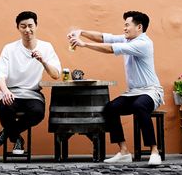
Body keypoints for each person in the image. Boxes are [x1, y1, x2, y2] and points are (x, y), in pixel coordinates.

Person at [67, 11, 164, 165]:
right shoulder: (127, 39)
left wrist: (84, 44)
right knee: (111, 108)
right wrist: (81, 32)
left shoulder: (143, 43)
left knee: (140, 106)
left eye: (127, 25)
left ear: (139, 27)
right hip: (133, 93)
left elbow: (111, 48)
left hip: (151, 91)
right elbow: (103, 37)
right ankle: (124, 151)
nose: (124, 28)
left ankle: (154, 151)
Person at [0, 11, 61, 154]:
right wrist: (5, 91)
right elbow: (0, 75)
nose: (27, 30)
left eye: (30, 26)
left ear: (36, 26)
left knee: (37, 113)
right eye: (23, 26)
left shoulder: (46, 47)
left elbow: (56, 75)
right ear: (18, 28)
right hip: (12, 92)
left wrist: (43, 61)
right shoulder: (9, 48)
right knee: (5, 109)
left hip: (33, 94)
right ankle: (17, 139)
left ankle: (7, 133)